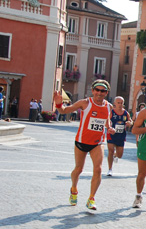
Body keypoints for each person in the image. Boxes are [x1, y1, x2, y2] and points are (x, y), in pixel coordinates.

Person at [52, 80, 115, 210]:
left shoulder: (109, 106)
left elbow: (106, 121)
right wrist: (58, 103)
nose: (99, 93)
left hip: (97, 142)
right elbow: (64, 111)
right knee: (79, 169)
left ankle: (91, 198)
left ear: (106, 93)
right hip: (82, 141)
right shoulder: (85, 103)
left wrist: (109, 128)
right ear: (92, 91)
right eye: (97, 90)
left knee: (98, 169)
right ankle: (74, 188)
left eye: (102, 91)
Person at [106, 96, 133, 176]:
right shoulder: (112, 112)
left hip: (121, 135)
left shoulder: (125, 113)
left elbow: (131, 121)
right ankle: (110, 169)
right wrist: (109, 127)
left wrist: (130, 123)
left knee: (120, 155)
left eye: (121, 103)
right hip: (112, 134)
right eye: (118, 103)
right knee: (110, 151)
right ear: (115, 103)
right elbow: (106, 121)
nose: (120, 104)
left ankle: (115, 155)